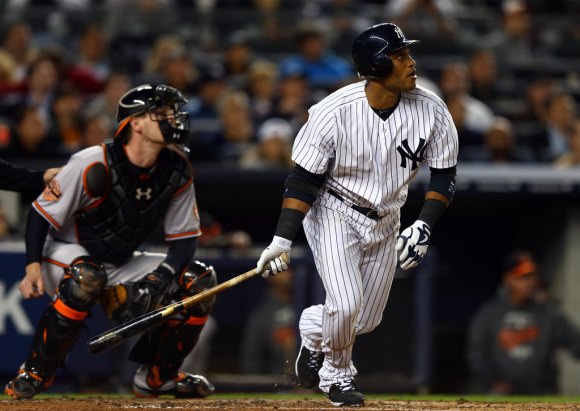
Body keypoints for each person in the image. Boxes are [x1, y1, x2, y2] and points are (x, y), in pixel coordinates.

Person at [255, 23, 458, 407]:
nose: (411, 63)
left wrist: (424, 224)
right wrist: (281, 239)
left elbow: (445, 173)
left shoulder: (431, 108)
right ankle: (338, 378)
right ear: (377, 65)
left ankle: (314, 330)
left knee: (363, 321)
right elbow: (301, 182)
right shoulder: (333, 112)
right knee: (346, 306)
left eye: (408, 54)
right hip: (334, 209)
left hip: (388, 217)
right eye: (400, 57)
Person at [4, 84, 216, 400]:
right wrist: (32, 266)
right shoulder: (93, 161)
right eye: (162, 113)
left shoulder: (176, 168)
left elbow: (186, 238)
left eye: (172, 112)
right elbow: (40, 215)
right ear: (136, 122)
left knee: (198, 279)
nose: (173, 119)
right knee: (86, 276)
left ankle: (158, 376)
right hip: (64, 254)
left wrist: (161, 277)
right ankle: (33, 373)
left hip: (119, 260)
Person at [466, 250, 580, 395]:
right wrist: (494, 380)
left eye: (533, 276)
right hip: (501, 394)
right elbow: (477, 353)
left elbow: (575, 342)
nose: (530, 282)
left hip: (542, 393)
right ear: (509, 278)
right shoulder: (489, 313)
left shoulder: (548, 313)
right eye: (524, 277)